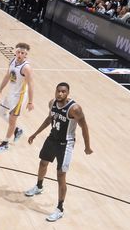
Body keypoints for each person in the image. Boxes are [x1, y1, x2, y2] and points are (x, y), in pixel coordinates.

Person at [25, 82, 92, 222]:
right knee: (43, 163)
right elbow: (49, 119)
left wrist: (87, 146)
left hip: (65, 144)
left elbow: (84, 127)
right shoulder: (52, 103)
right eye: (58, 91)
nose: (60, 94)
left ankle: (60, 208)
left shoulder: (75, 109)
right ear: (55, 92)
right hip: (52, 139)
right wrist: (35, 133)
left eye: (63, 92)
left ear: (68, 93)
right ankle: (39, 186)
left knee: (61, 175)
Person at [0, 43, 34, 153]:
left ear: (26, 55)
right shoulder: (12, 61)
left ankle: (5, 143)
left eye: (23, 53)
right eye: (18, 52)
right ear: (16, 52)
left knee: (12, 120)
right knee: (0, 113)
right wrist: (0, 89)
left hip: (19, 97)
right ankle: (17, 130)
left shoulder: (26, 68)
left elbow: (31, 85)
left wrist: (30, 102)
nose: (20, 54)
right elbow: (7, 76)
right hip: (10, 93)